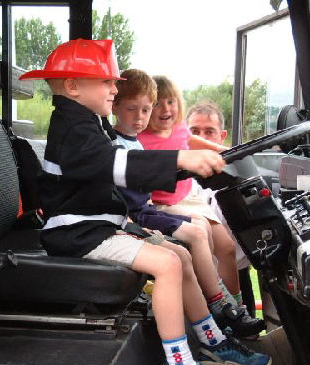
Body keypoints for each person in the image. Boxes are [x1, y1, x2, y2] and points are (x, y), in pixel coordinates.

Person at [19, 40, 271, 365]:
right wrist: (180, 158)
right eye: (107, 81)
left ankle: (212, 341)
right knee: (167, 264)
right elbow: (115, 164)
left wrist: (179, 169)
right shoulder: (73, 129)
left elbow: (115, 169)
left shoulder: (87, 122)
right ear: (72, 85)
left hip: (97, 226)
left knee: (180, 256)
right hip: (77, 233)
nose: (114, 88)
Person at [112, 69, 265, 337]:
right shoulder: (119, 146)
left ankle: (227, 306)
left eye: (145, 109)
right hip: (143, 213)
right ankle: (219, 305)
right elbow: (132, 192)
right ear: (114, 106)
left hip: (155, 206)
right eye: (133, 109)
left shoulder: (135, 141)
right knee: (194, 237)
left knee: (208, 235)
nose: (140, 116)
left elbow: (195, 144)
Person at [137, 76, 242, 306]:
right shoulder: (141, 140)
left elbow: (194, 142)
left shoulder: (179, 130)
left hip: (188, 197)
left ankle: (236, 302)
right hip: (162, 202)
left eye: (171, 102)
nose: (165, 109)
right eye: (157, 104)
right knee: (203, 238)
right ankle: (216, 301)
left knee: (227, 247)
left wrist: (230, 152)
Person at [186, 101, 256, 319]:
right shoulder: (178, 180)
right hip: (195, 278)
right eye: (195, 132)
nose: (202, 139)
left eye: (209, 132)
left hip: (236, 273)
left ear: (222, 136)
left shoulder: (237, 175)